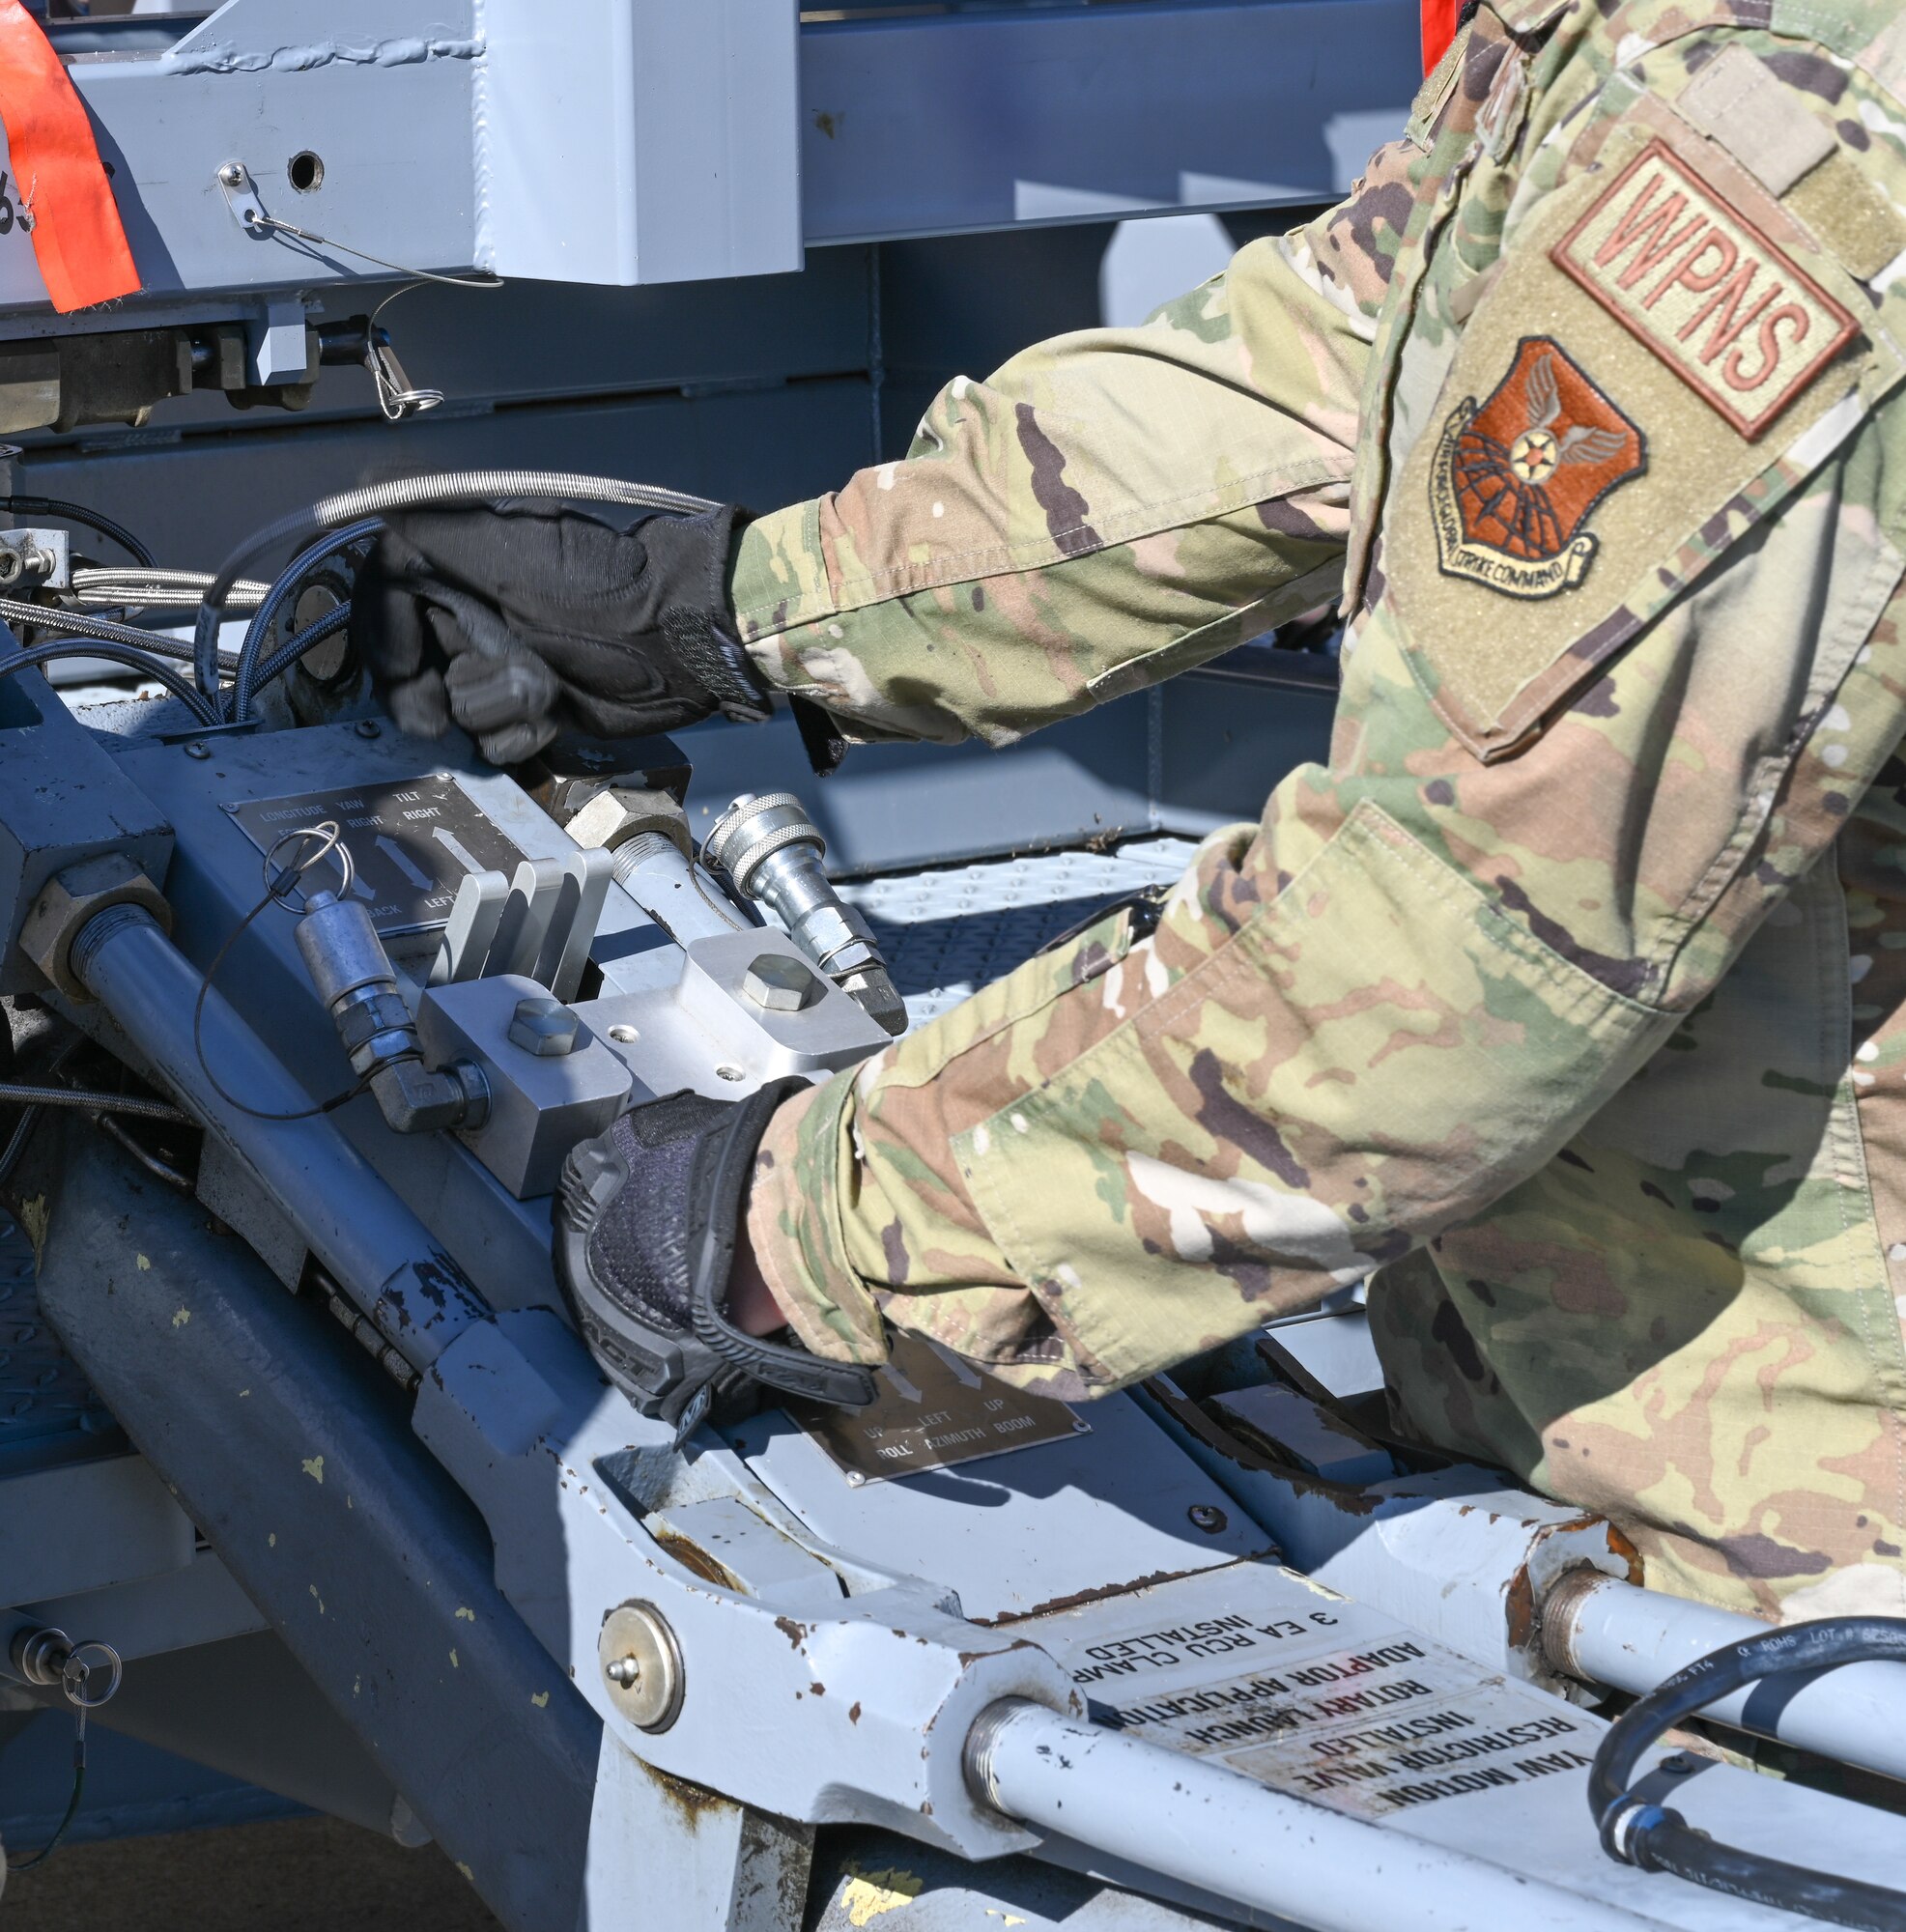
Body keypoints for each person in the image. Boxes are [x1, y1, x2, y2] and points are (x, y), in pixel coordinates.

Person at [352, 0, 1906, 1625]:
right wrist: (739, 607)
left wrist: (809, 1228)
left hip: (1818, 1566)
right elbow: (1341, 361)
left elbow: (1448, 951)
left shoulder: (1820, 129)